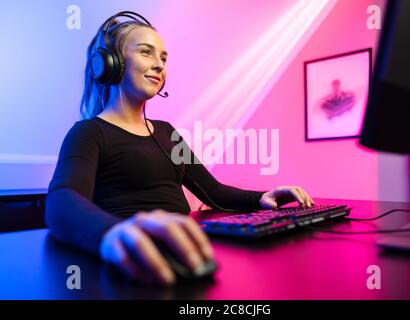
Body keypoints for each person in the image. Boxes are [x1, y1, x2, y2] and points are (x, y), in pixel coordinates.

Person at [45, 12, 315, 286]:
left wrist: (263, 197)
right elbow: (60, 202)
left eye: (163, 58)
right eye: (146, 53)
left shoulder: (167, 133)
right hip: (138, 264)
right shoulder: (89, 132)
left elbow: (213, 192)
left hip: (185, 249)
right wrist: (111, 233)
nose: (159, 65)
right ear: (111, 64)